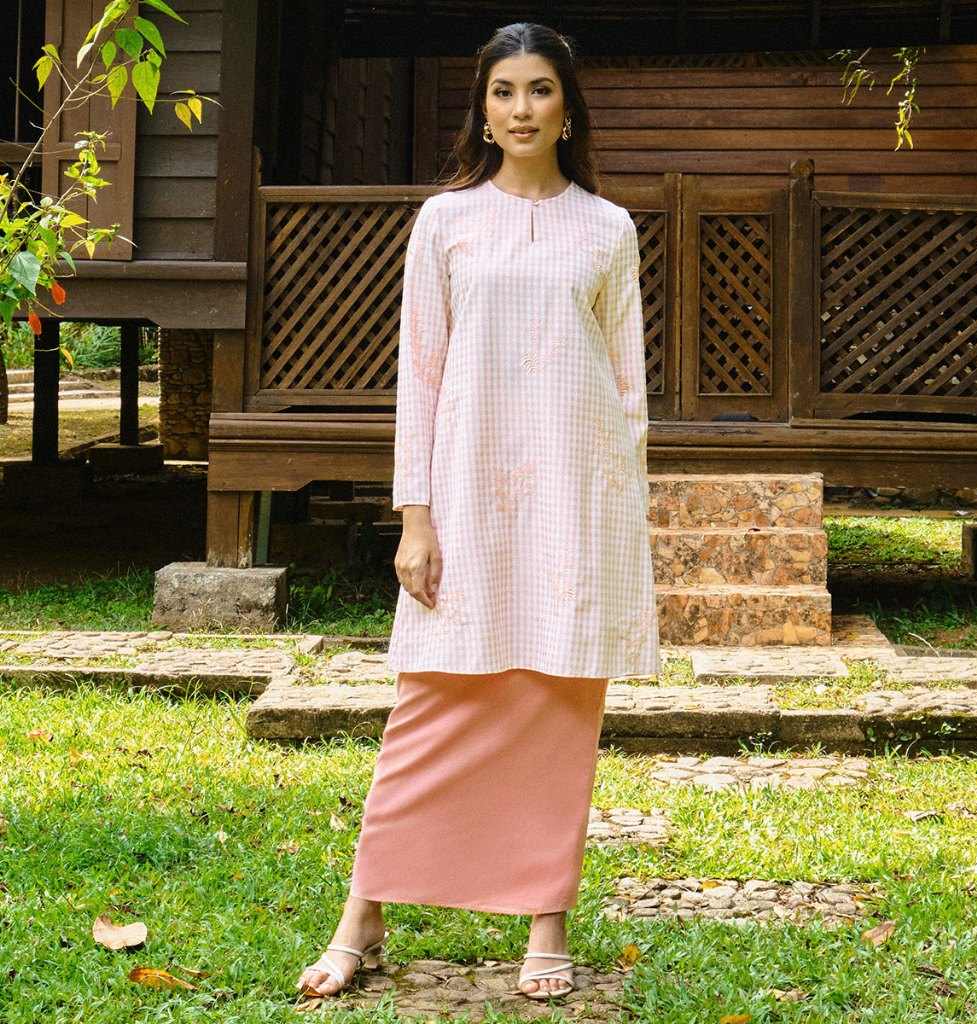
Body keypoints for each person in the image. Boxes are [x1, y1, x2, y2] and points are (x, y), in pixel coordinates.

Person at [295, 20, 661, 1003]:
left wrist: (616, 516)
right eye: (504, 91)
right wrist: (415, 515)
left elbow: (627, 391)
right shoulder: (445, 221)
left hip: (575, 501)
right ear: (483, 110)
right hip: (466, 498)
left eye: (540, 89)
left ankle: (546, 920)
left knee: (557, 710)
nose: (521, 108)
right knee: (430, 704)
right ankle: (362, 914)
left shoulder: (608, 228)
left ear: (568, 107)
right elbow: (419, 376)